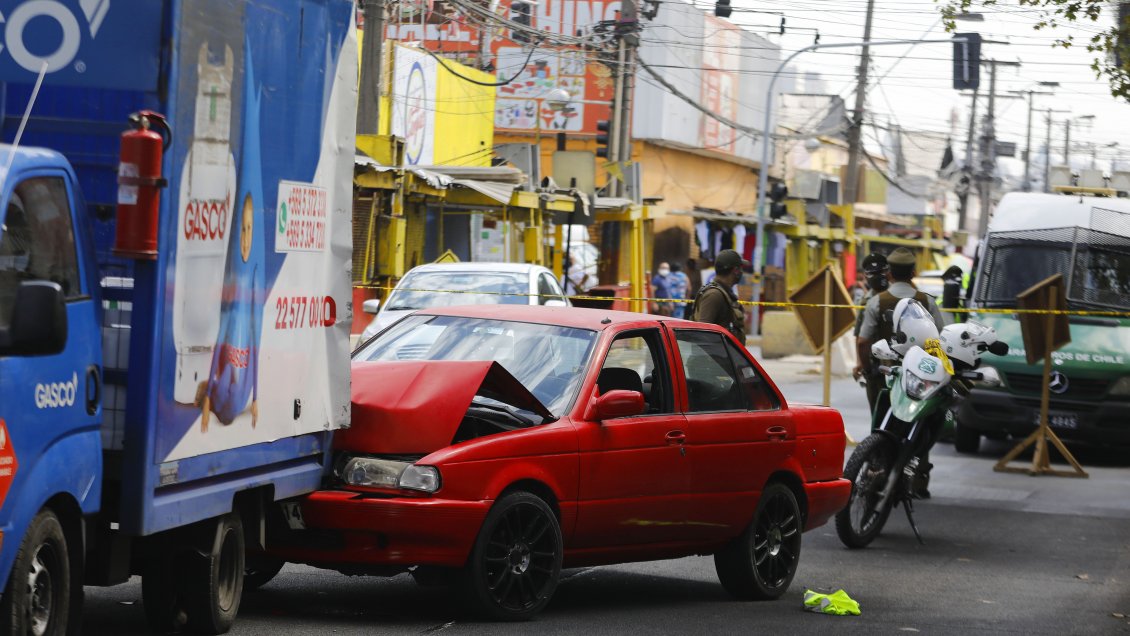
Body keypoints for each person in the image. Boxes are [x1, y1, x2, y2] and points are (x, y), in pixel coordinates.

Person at [854, 247, 947, 498]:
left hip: (885, 375)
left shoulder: (877, 301)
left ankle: (877, 472)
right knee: (920, 423)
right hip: (920, 377)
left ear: (890, 273)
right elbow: (940, 338)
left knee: (882, 425)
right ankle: (917, 483)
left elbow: (862, 341)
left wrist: (867, 368)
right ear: (914, 273)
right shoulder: (927, 301)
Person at [852, 252, 890, 414]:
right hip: (875, 365)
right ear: (866, 276)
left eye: (880, 272)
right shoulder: (865, 301)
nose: (876, 277)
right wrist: (860, 363)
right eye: (871, 274)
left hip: (899, 364)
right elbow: (860, 335)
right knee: (877, 413)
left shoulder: (897, 296)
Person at [691, 249, 749, 343]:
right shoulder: (714, 295)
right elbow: (702, 333)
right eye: (740, 268)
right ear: (735, 270)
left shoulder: (725, 293)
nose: (742, 271)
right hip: (715, 356)